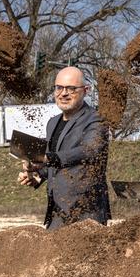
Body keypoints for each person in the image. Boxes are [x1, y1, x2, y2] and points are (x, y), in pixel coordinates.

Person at [17, 66, 110, 230]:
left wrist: (48, 158)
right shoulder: (52, 123)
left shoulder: (96, 120)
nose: (64, 93)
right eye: (59, 87)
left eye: (71, 89)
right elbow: (55, 162)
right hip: (57, 213)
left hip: (86, 213)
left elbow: (89, 151)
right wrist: (38, 174)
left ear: (85, 90)